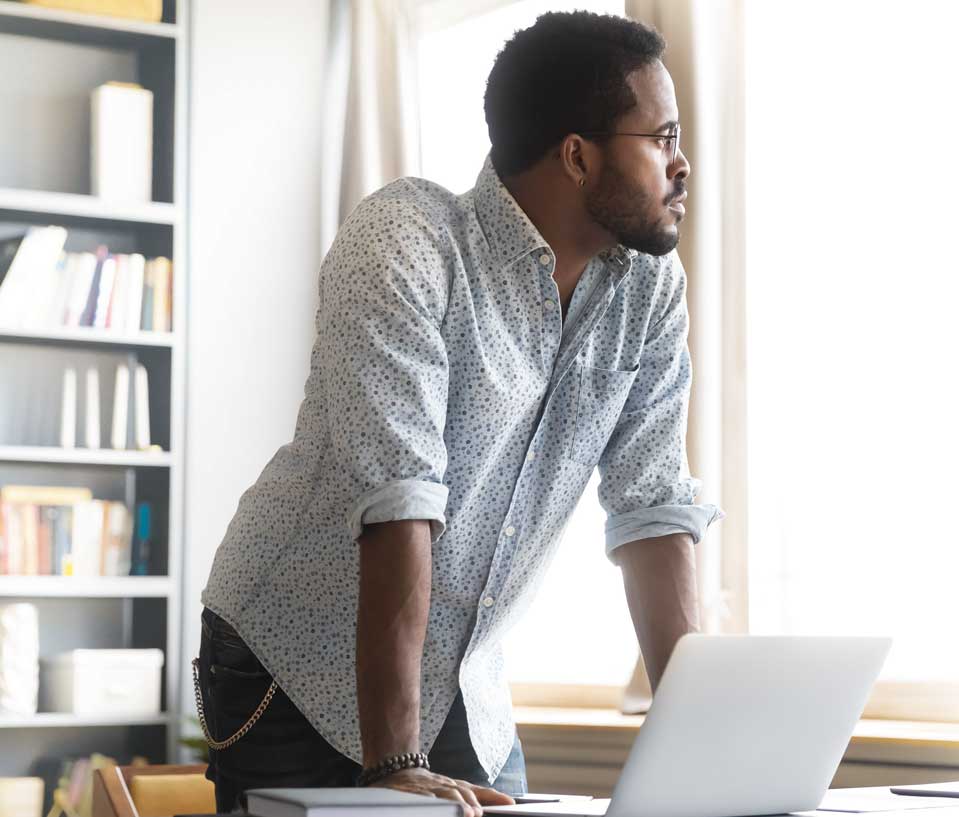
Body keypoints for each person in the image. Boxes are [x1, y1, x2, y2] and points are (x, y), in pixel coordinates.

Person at [196, 10, 722, 815]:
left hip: (461, 677)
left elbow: (653, 510)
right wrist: (396, 763)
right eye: (663, 139)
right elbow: (400, 500)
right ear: (577, 156)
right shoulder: (407, 242)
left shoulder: (649, 290)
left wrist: (703, 761)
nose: (683, 166)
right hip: (292, 660)